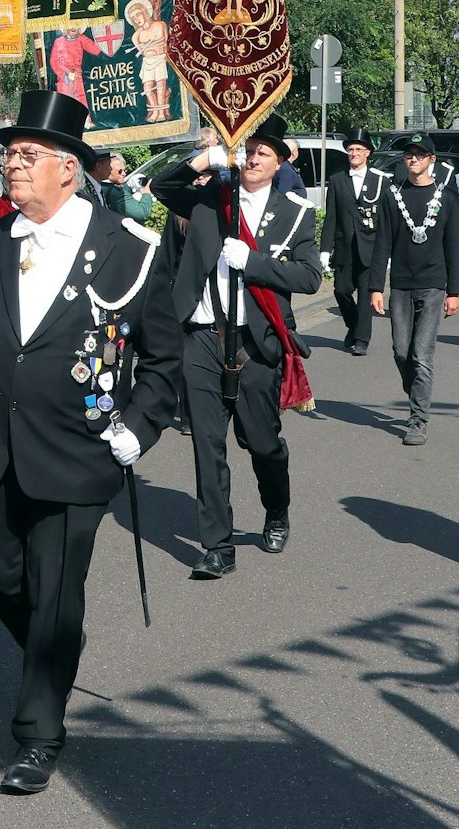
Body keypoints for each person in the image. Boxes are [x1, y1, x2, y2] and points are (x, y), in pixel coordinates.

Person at [0, 89, 180, 796]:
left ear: (69, 171)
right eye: (8, 155)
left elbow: (164, 362)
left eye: (26, 156)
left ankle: (38, 732)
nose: (11, 166)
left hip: (79, 444)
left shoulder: (129, 250)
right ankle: (57, 648)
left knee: (56, 590)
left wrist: (138, 429)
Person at [152, 113, 320, 580]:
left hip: (255, 341)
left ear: (280, 162)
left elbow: (309, 277)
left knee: (262, 444)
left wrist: (256, 262)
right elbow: (163, 189)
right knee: (207, 445)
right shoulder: (213, 197)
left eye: (263, 152)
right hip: (203, 336)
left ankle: (276, 509)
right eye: (248, 150)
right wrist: (206, 158)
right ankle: (218, 545)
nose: (252, 158)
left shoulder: (295, 212)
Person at [365, 132, 459, 445]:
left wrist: (454, 291)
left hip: (434, 285)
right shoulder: (393, 195)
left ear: (432, 160)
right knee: (400, 351)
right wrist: (376, 286)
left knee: (421, 354)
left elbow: (453, 249)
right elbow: (382, 243)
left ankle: (417, 420)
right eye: (409, 155)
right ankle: (417, 390)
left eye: (420, 155)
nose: (413, 159)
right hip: (402, 285)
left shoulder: (446, 198)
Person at [324, 128, 385, 354]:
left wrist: (386, 251)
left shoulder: (380, 181)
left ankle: (361, 340)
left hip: (370, 247)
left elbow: (385, 219)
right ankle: (353, 326)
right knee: (341, 291)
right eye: (350, 149)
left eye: (359, 149)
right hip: (344, 247)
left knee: (365, 295)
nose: (354, 153)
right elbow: (331, 217)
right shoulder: (337, 180)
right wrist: (324, 249)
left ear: (368, 153)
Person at [93, 152, 155, 222]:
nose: (124, 174)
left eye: (124, 170)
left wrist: (128, 186)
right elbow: (142, 213)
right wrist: (147, 194)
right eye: (119, 171)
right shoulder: (114, 192)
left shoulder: (100, 186)